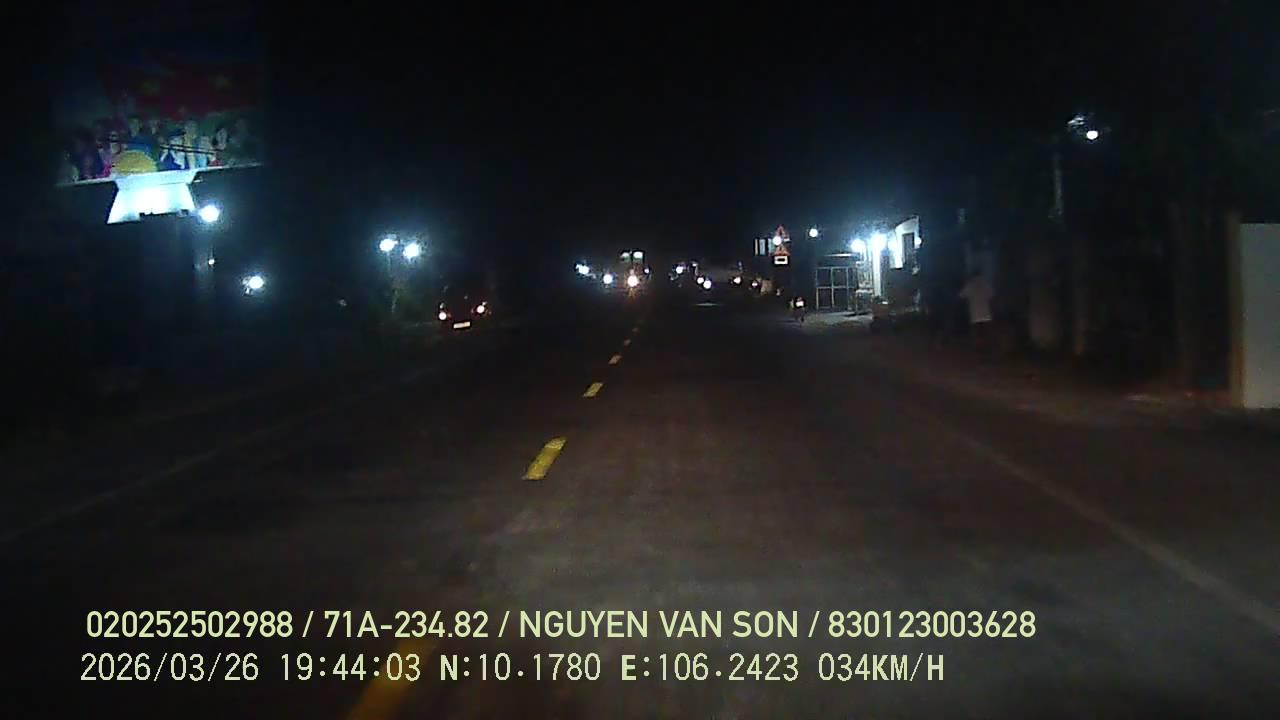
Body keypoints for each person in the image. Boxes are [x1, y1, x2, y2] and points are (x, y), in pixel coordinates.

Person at [958, 270, 995, 351]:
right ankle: (988, 348)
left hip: (975, 313)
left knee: (976, 332)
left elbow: (961, 295)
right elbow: (992, 295)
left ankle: (978, 348)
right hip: (986, 313)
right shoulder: (986, 283)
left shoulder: (970, 284)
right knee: (987, 332)